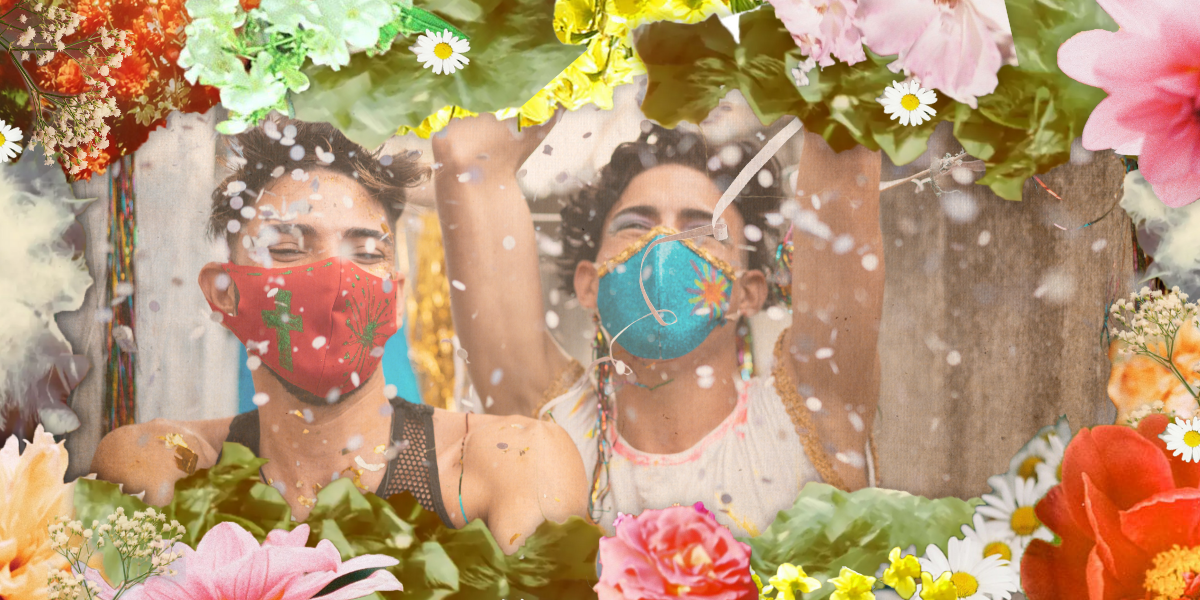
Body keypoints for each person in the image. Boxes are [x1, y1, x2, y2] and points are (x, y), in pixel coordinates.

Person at [90, 117, 589, 553]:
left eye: (368, 254)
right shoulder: (166, 466)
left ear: (393, 297)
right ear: (225, 292)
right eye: (286, 249)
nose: (334, 280)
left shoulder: (512, 461)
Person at [432, 113, 885, 536]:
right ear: (590, 284)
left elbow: (844, 117)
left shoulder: (811, 415)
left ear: (749, 291)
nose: (665, 243)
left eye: (703, 230)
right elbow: (472, 161)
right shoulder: (550, 426)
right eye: (635, 226)